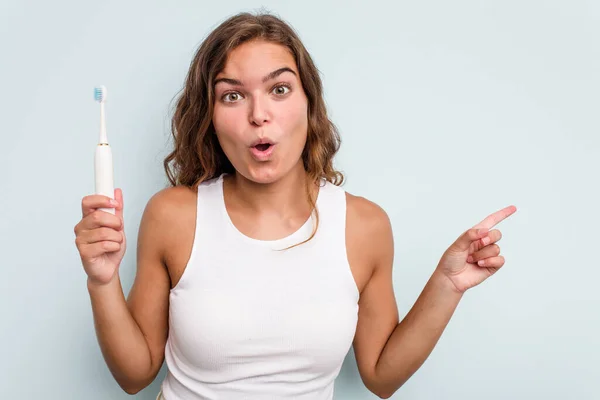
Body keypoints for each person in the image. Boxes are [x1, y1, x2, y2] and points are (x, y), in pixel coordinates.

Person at [73, 11, 516, 400]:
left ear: (309, 102)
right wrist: (102, 282)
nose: (258, 115)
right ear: (210, 117)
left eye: (279, 89)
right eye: (232, 95)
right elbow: (134, 376)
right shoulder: (171, 215)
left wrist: (447, 284)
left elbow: (382, 377)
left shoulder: (363, 225)